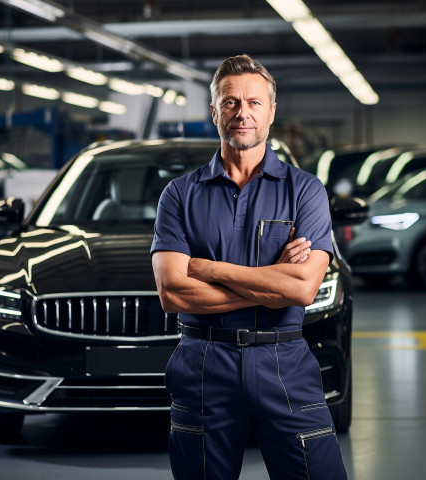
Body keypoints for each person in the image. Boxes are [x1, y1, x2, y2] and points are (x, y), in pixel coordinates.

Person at [151, 54, 347, 480]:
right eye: (230, 102)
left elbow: (301, 290)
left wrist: (213, 270)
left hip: (284, 359)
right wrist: (270, 280)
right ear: (214, 111)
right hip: (204, 362)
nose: (242, 113)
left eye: (254, 103)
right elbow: (173, 294)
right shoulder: (179, 195)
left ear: (272, 111)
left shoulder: (305, 191)